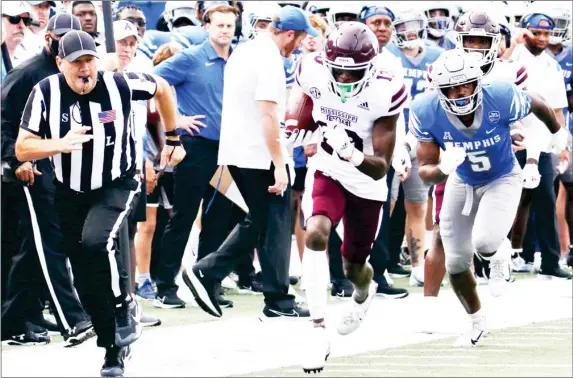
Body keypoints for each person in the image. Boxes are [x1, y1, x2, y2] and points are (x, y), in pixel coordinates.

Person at [14, 30, 185, 377]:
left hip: (117, 182)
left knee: (96, 241)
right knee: (86, 276)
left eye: (89, 60)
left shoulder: (122, 84)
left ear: (97, 61)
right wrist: (59, 144)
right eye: (76, 62)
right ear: (60, 64)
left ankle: (125, 303)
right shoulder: (45, 92)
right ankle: (112, 351)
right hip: (69, 189)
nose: (84, 69)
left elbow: (163, 89)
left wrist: (173, 136)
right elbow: (23, 148)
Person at [410, 49, 569, 347]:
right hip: (462, 179)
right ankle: (476, 320)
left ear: (477, 83)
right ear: (438, 90)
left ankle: (500, 249)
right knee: (456, 263)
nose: (459, 93)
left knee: (484, 242)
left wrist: (558, 134)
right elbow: (426, 171)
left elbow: (537, 102)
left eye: (465, 85)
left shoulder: (500, 95)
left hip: (502, 176)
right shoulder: (426, 109)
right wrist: (444, 166)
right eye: (450, 88)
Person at [184, 5, 317, 320]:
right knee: (274, 222)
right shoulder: (268, 59)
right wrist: (280, 162)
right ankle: (212, 273)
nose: (298, 45)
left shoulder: (245, 51)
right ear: (287, 33)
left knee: (261, 222)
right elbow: (268, 115)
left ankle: (268, 295)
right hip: (259, 153)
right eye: (298, 39)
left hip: (239, 150)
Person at [294, 21, 407, 372]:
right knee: (315, 233)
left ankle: (364, 293)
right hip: (327, 170)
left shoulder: (384, 90)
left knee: (354, 266)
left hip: (366, 182)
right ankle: (316, 330)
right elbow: (306, 104)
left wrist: (352, 153)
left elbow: (380, 168)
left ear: (371, 68)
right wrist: (298, 127)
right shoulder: (311, 68)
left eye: (353, 73)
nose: (343, 81)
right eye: (338, 72)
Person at [1, 12, 94, 347]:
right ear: (49, 37)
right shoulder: (27, 74)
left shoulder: (78, 75)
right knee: (43, 244)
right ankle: (73, 318)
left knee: (35, 248)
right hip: (30, 170)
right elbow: (3, 122)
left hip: (62, 173)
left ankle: (20, 315)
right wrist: (14, 161)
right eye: (62, 36)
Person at [153, 3, 239, 309]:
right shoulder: (190, 58)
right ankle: (165, 286)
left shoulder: (238, 59)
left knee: (220, 219)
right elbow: (153, 83)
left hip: (229, 149)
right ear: (207, 27)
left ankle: (208, 282)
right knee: (184, 217)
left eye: (230, 25)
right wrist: (176, 118)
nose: (225, 30)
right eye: (220, 25)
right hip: (197, 147)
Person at [508, 11, 571, 280]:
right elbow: (495, 64)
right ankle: (500, 258)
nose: (543, 38)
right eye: (537, 32)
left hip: (541, 143)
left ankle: (549, 262)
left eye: (547, 33)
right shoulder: (512, 57)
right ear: (525, 32)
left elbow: (557, 110)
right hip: (509, 140)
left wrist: (563, 145)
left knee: (545, 199)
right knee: (508, 201)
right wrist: (515, 40)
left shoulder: (551, 65)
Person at [386, 8, 444, 288]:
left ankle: (418, 264)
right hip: (390, 139)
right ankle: (379, 261)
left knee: (418, 205)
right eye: (403, 27)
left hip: (421, 140)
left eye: (413, 27)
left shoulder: (436, 57)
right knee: (385, 205)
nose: (408, 33)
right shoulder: (387, 56)